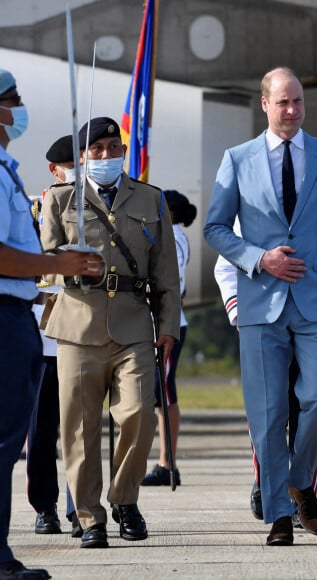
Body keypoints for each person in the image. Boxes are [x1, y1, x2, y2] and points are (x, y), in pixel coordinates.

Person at [204, 66, 317, 546]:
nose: (292, 110)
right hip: (260, 303)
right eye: (283, 102)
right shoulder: (237, 159)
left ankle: (298, 480)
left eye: (298, 101)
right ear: (264, 105)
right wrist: (259, 258)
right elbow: (215, 229)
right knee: (268, 412)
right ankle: (279, 514)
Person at [39, 117, 181, 549]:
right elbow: (43, 265)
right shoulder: (61, 200)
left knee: (138, 414)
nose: (104, 156)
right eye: (94, 150)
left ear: (122, 152)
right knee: (78, 428)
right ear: (81, 158)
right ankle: (89, 516)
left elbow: (167, 273)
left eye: (110, 148)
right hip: (78, 324)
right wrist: (69, 266)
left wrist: (169, 326)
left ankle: (124, 499)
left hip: (134, 324)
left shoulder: (152, 199)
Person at [0, 68, 104, 580]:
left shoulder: (8, 170)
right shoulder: (12, 181)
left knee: (54, 430)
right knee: (17, 438)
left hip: (38, 320)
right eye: (12, 99)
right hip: (14, 321)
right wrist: (61, 266)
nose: (19, 107)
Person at [214, 216, 317, 520]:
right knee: (268, 411)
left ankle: (302, 488)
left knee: (314, 409)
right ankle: (265, 481)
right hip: (265, 325)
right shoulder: (251, 211)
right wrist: (239, 313)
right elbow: (226, 265)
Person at [27, 135, 78, 537]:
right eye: (71, 163)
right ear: (54, 170)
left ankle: (82, 506)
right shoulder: (31, 209)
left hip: (82, 337)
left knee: (82, 427)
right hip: (43, 341)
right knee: (41, 431)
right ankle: (45, 507)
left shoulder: (92, 207)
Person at [142, 189, 197, 486]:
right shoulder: (171, 237)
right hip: (163, 324)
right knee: (160, 394)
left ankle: (168, 463)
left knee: (164, 394)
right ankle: (166, 461)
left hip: (166, 325)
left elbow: (166, 283)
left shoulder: (172, 239)